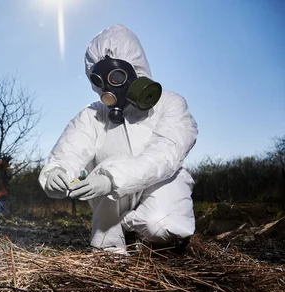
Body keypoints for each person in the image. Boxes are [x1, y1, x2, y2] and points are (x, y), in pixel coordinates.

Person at [39, 24, 198, 255]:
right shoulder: (93, 115)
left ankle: (133, 230)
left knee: (162, 227)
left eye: (116, 76)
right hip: (111, 201)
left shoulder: (170, 104)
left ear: (137, 70)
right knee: (107, 255)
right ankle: (111, 242)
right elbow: (70, 150)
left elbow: (165, 155)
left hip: (161, 185)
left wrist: (110, 179)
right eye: (98, 80)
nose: (107, 88)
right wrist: (57, 172)